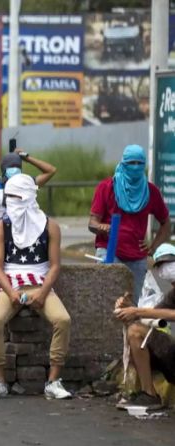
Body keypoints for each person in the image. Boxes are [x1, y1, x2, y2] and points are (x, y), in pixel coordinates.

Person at [0, 174, 73, 400]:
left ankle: (53, 380)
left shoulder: (50, 227)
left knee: (63, 320)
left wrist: (42, 292)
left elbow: (55, 265)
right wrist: (11, 292)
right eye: (9, 197)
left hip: (41, 282)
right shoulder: (3, 226)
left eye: (17, 197)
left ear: (29, 197)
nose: (12, 202)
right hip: (11, 283)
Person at [90, 145, 171, 301]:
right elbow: (92, 222)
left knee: (131, 305)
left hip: (137, 257)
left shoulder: (151, 191)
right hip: (109, 252)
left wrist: (153, 247)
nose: (135, 167)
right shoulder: (106, 187)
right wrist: (101, 227)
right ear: (123, 163)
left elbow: (166, 223)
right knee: (107, 301)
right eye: (131, 163)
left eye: (139, 163)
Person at [113, 243, 175, 410]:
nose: (166, 269)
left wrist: (137, 311)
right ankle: (149, 394)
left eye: (169, 263)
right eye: (161, 265)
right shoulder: (172, 294)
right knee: (135, 332)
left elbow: (169, 314)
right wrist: (129, 307)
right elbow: (152, 314)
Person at [0, 149, 57, 227]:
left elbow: (51, 171)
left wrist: (27, 158)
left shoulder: (27, 184)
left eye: (17, 167)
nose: (14, 170)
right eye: (11, 167)